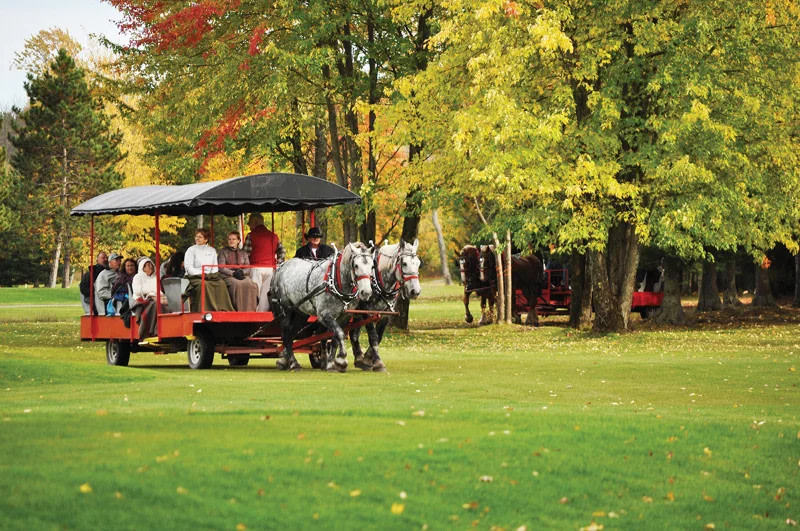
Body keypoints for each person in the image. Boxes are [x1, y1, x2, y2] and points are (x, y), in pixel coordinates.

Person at [185, 228, 234, 312]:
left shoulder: (212, 250)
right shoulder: (191, 250)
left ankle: (222, 309)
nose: (197, 238)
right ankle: (205, 310)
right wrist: (201, 274)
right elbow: (189, 267)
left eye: (200, 237)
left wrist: (210, 275)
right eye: (196, 236)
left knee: (221, 283)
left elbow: (214, 267)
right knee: (204, 284)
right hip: (194, 276)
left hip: (209, 276)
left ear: (206, 239)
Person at [243, 213, 281, 311]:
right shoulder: (274, 236)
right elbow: (282, 250)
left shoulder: (251, 235)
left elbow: (245, 253)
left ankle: (253, 313)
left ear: (256, 222)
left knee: (255, 292)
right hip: (271, 269)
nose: (249, 226)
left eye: (250, 223)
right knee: (265, 294)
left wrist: (244, 267)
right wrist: (278, 263)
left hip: (256, 268)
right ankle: (262, 313)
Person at [218, 231, 258, 312]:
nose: (231, 241)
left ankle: (250, 310)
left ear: (238, 241)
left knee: (251, 284)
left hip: (241, 274)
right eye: (229, 239)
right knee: (237, 284)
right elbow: (221, 267)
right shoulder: (223, 252)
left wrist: (242, 272)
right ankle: (238, 310)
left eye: (233, 239)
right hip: (228, 275)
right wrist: (232, 273)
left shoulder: (243, 253)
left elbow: (248, 267)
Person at [131, 257, 165, 339]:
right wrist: (151, 292)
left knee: (167, 305)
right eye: (147, 265)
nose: (150, 267)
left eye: (151, 265)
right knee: (156, 305)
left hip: (155, 298)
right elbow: (137, 291)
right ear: (143, 267)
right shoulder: (138, 277)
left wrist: (155, 294)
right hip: (142, 300)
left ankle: (161, 329)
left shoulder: (155, 278)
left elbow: (159, 291)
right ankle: (152, 331)